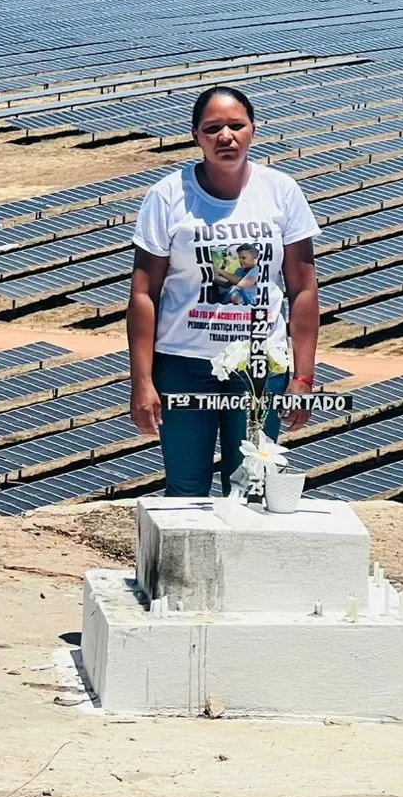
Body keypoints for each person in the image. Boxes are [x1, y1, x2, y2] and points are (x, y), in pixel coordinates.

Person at [126, 86, 322, 497]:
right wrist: (141, 380)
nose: (226, 137)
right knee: (185, 489)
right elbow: (144, 294)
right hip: (183, 364)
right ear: (196, 136)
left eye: (236, 125)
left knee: (252, 487)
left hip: (259, 368)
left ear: (253, 130)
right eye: (213, 128)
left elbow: (303, 288)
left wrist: (303, 376)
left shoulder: (281, 191)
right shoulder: (168, 196)